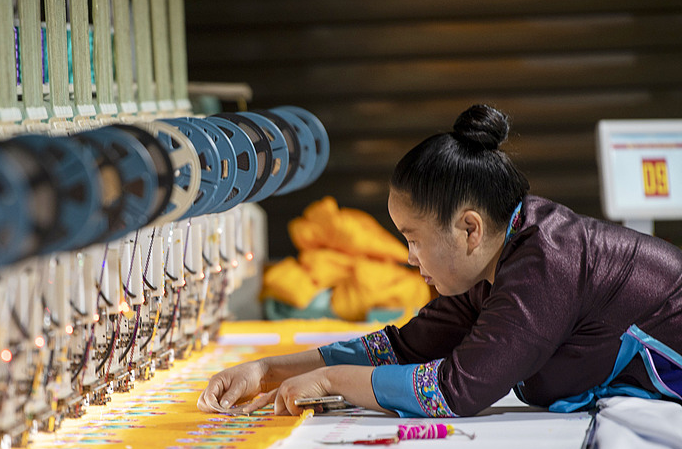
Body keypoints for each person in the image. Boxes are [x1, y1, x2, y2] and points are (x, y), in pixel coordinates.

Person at [198, 104, 682, 418]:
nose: (409, 259)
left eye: (413, 239)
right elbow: (405, 348)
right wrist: (268, 371)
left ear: (469, 229)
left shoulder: (545, 264)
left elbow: (454, 391)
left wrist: (331, 380)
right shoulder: (502, 254)